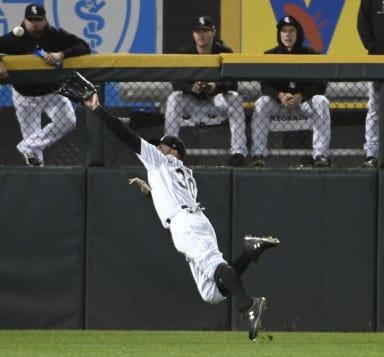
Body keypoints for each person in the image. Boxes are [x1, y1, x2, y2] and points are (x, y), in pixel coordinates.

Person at [80, 82, 280, 341]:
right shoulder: (184, 173)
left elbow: (126, 136)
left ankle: (247, 306)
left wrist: (97, 109)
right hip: (193, 219)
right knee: (212, 294)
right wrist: (152, 192)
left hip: (185, 223)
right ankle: (249, 251)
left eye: (162, 145)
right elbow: (175, 197)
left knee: (214, 267)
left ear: (173, 151)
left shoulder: (160, 160)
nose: (157, 147)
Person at [0, 3, 90, 166]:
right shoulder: (16, 37)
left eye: (38, 19)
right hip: (25, 96)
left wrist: (62, 54)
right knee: (34, 152)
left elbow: (83, 46)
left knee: (68, 121)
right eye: (30, 19)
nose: (34, 23)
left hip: (52, 92)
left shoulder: (54, 35)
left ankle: (26, 146)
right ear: (24, 20)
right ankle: (36, 171)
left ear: (45, 21)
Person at [164, 16, 248, 167]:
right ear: (193, 34)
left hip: (215, 102)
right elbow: (175, 81)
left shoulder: (224, 52)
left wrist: (215, 87)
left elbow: (233, 83)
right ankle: (170, 151)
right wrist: (191, 88)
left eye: (205, 31)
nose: (200, 35)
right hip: (192, 103)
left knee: (234, 98)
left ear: (213, 33)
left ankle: (238, 152)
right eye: (197, 31)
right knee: (174, 98)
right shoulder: (185, 52)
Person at [250, 15, 331, 168]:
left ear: (298, 33)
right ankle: (258, 155)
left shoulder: (311, 55)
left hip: (304, 103)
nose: (287, 35)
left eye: (291, 31)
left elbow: (321, 84)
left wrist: (302, 96)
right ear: (279, 34)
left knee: (321, 101)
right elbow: (265, 85)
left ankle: (320, 155)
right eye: (284, 31)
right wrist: (280, 95)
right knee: (261, 103)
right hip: (280, 104)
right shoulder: (270, 55)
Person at [357, 0, 383, 168]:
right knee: (375, 107)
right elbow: (362, 24)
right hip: (378, 61)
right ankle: (372, 153)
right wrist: (373, 48)